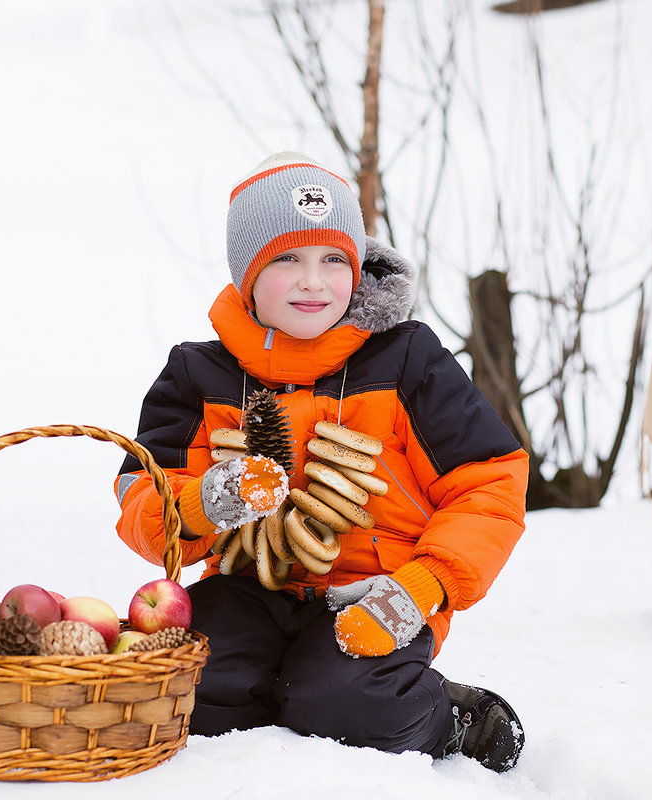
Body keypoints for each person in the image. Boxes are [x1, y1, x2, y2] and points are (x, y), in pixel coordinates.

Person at [114, 152, 528, 772]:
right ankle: (276, 685)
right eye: (286, 259)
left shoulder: (407, 359)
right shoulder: (197, 374)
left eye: (334, 259)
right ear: (247, 272)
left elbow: (489, 485)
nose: (314, 281)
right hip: (248, 586)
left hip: (378, 594)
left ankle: (451, 717)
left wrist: (425, 584)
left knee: (345, 703)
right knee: (178, 690)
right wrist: (206, 500)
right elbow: (142, 500)